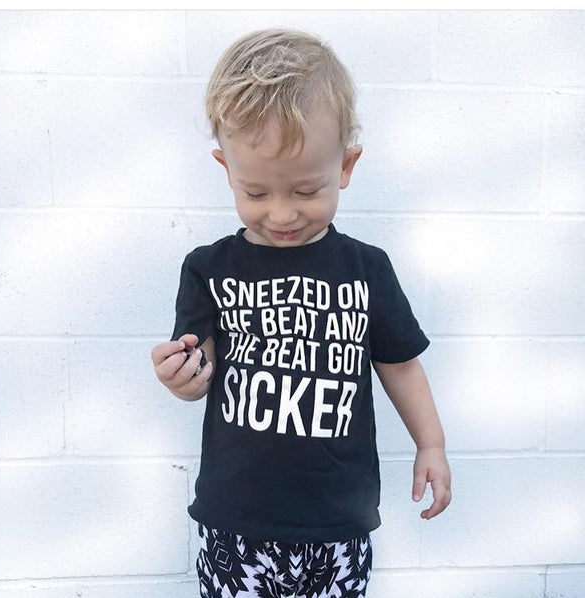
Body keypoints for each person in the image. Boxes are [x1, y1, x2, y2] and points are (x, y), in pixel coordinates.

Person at [151, 28, 451, 598]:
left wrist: (430, 444)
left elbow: (401, 365)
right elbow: (200, 369)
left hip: (338, 524)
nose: (282, 213)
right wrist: (182, 378)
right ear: (226, 169)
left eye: (306, 190)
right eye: (256, 193)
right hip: (235, 523)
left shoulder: (366, 270)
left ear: (347, 166)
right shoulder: (208, 269)